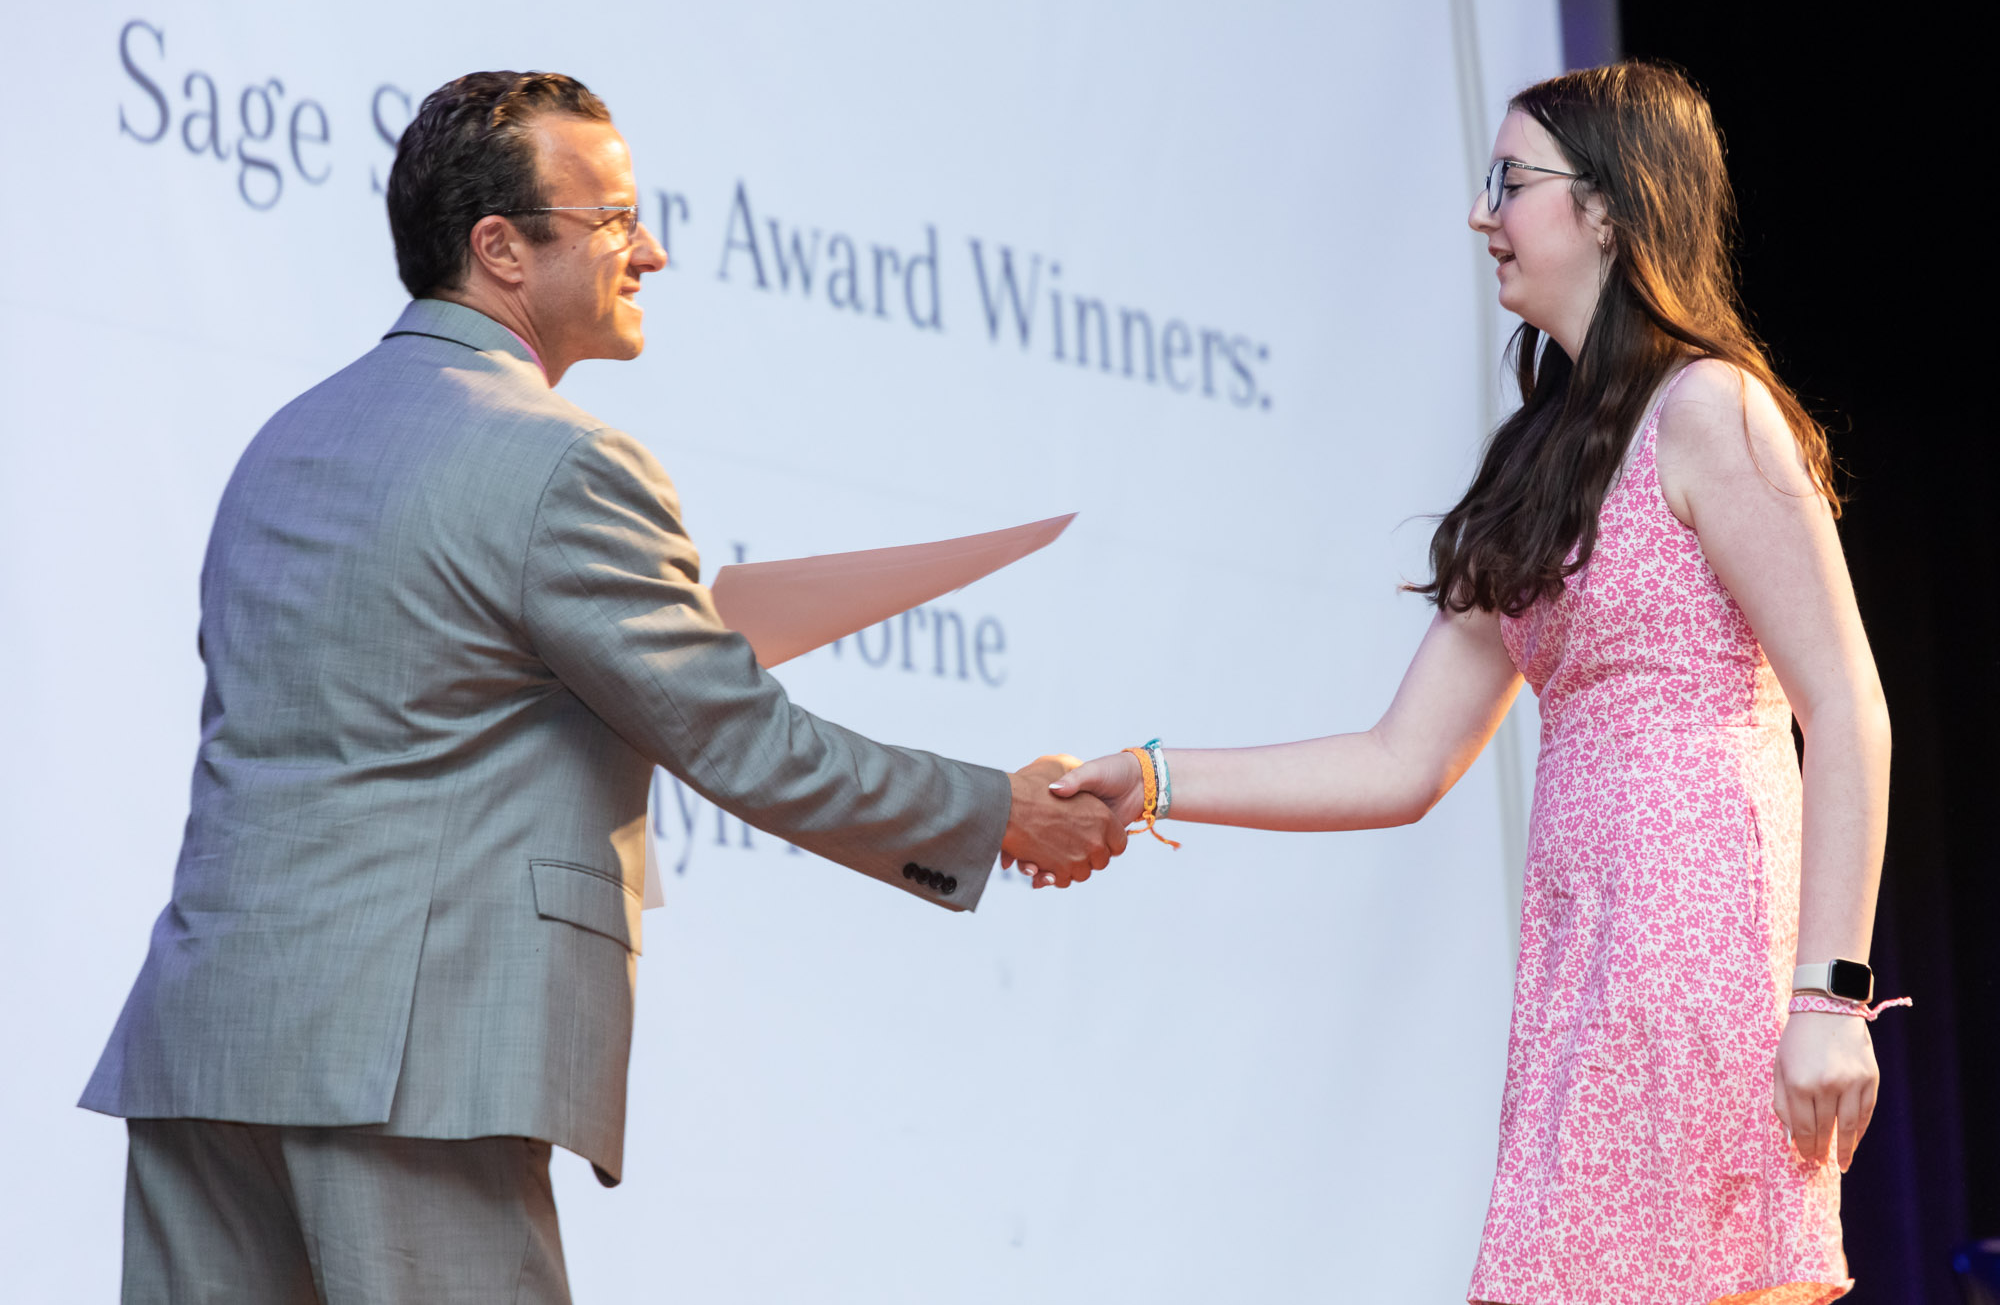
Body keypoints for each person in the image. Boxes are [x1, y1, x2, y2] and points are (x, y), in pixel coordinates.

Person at [82, 70, 1121, 1305]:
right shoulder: (566, 461)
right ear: (499, 249)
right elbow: (745, 745)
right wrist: (998, 808)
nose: (655, 250)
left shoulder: (281, 443)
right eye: (616, 220)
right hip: (411, 1070)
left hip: (204, 1044)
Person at [1051, 63, 1892, 1304]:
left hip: (1701, 951)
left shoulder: (1711, 409)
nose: (1479, 211)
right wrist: (1157, 777)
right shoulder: (1539, 462)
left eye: (1510, 181)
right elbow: (1400, 760)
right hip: (1579, 975)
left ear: (1608, 206)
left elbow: (1846, 704)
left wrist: (1830, 994)